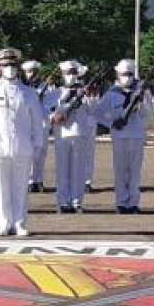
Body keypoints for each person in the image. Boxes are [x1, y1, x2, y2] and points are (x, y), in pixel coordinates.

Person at [0, 48, 45, 236]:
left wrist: (38, 143)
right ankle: (4, 223)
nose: (9, 68)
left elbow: (37, 120)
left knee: (21, 186)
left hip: (23, 145)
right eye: (5, 65)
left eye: (12, 64)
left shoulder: (28, 92)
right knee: (1, 186)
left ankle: (19, 223)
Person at [97, 59, 151, 214]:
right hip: (119, 136)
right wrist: (111, 123)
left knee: (135, 171)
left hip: (137, 135)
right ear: (117, 75)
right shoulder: (112, 93)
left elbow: (147, 114)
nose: (126, 77)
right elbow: (97, 113)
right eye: (123, 74)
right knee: (120, 171)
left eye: (129, 74)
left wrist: (141, 101)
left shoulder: (142, 92)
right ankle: (121, 202)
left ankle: (133, 203)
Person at [47, 60, 97, 213]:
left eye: (74, 73)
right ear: (62, 74)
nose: (71, 76)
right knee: (62, 169)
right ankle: (63, 202)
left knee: (78, 170)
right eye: (68, 73)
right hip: (61, 134)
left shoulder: (84, 92)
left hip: (79, 133)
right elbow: (45, 111)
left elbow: (93, 111)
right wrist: (53, 117)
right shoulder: (55, 93)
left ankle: (76, 202)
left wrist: (90, 97)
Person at [21, 59, 50, 193]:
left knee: (42, 153)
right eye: (29, 71)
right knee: (29, 153)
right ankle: (29, 181)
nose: (31, 74)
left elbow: (50, 104)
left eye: (34, 71)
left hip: (43, 122)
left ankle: (39, 180)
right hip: (28, 123)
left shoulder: (45, 85)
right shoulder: (23, 87)